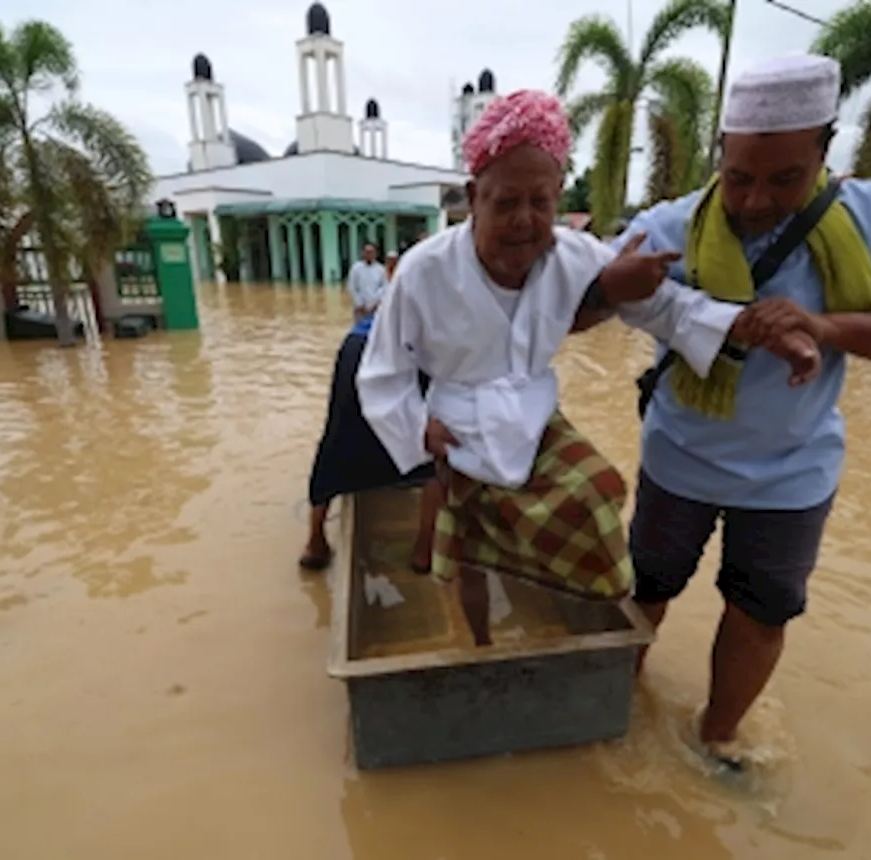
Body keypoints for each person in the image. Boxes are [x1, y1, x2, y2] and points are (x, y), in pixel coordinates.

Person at [356, 89, 820, 644]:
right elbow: (382, 370)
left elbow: (668, 307)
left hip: (533, 412)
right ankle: (476, 641)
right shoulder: (422, 270)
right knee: (469, 558)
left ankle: (562, 612)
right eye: (505, 203)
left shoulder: (574, 255)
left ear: (558, 197)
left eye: (540, 202)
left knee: (599, 489)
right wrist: (416, 429)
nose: (524, 221)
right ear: (474, 198)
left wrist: (757, 330)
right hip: (455, 425)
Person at [620, 55, 871, 768]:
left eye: (783, 180)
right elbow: (591, 293)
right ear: (721, 157)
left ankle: (716, 740)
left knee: (761, 609)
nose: (752, 202)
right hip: (679, 456)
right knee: (644, 588)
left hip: (792, 472)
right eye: (740, 177)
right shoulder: (674, 224)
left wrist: (827, 327)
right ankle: (613, 707)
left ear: (823, 151)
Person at [300, 310, 443, 573]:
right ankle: (424, 551)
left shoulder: (409, 279)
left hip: (360, 345)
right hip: (417, 349)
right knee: (435, 451)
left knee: (337, 438)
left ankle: (314, 543)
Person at [347, 244, 387, 322]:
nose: (369, 254)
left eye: (371, 252)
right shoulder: (355, 268)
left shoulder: (381, 269)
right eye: (367, 252)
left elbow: (384, 288)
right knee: (360, 330)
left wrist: (375, 304)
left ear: (376, 254)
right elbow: (352, 287)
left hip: (376, 308)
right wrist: (360, 304)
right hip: (360, 308)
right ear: (363, 253)